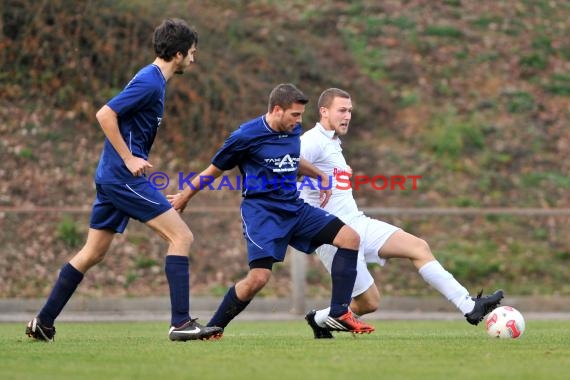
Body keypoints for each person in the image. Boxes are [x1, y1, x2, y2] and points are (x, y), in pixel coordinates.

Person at [25, 18, 223, 342]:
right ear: (178, 54)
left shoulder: (154, 80)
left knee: (92, 253)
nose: (193, 59)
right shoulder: (150, 80)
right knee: (181, 237)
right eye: (191, 53)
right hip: (123, 178)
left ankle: (43, 322)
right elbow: (105, 114)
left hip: (111, 177)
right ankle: (181, 323)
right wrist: (129, 157)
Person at [168, 83, 375, 337]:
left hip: (294, 208)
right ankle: (215, 326)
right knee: (258, 279)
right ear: (277, 109)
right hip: (263, 214)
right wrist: (184, 196)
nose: (299, 121)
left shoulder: (292, 130)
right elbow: (214, 170)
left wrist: (320, 175)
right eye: (295, 115)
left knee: (349, 238)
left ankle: (339, 312)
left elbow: (294, 159)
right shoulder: (245, 136)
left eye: (300, 115)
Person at [299, 88, 504, 339]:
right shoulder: (312, 140)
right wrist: (310, 188)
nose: (348, 116)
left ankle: (470, 307)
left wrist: (330, 178)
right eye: (342, 110)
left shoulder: (332, 142)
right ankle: (318, 318)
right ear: (323, 111)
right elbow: (289, 166)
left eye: (350, 110)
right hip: (335, 236)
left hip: (357, 223)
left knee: (418, 247)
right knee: (369, 303)